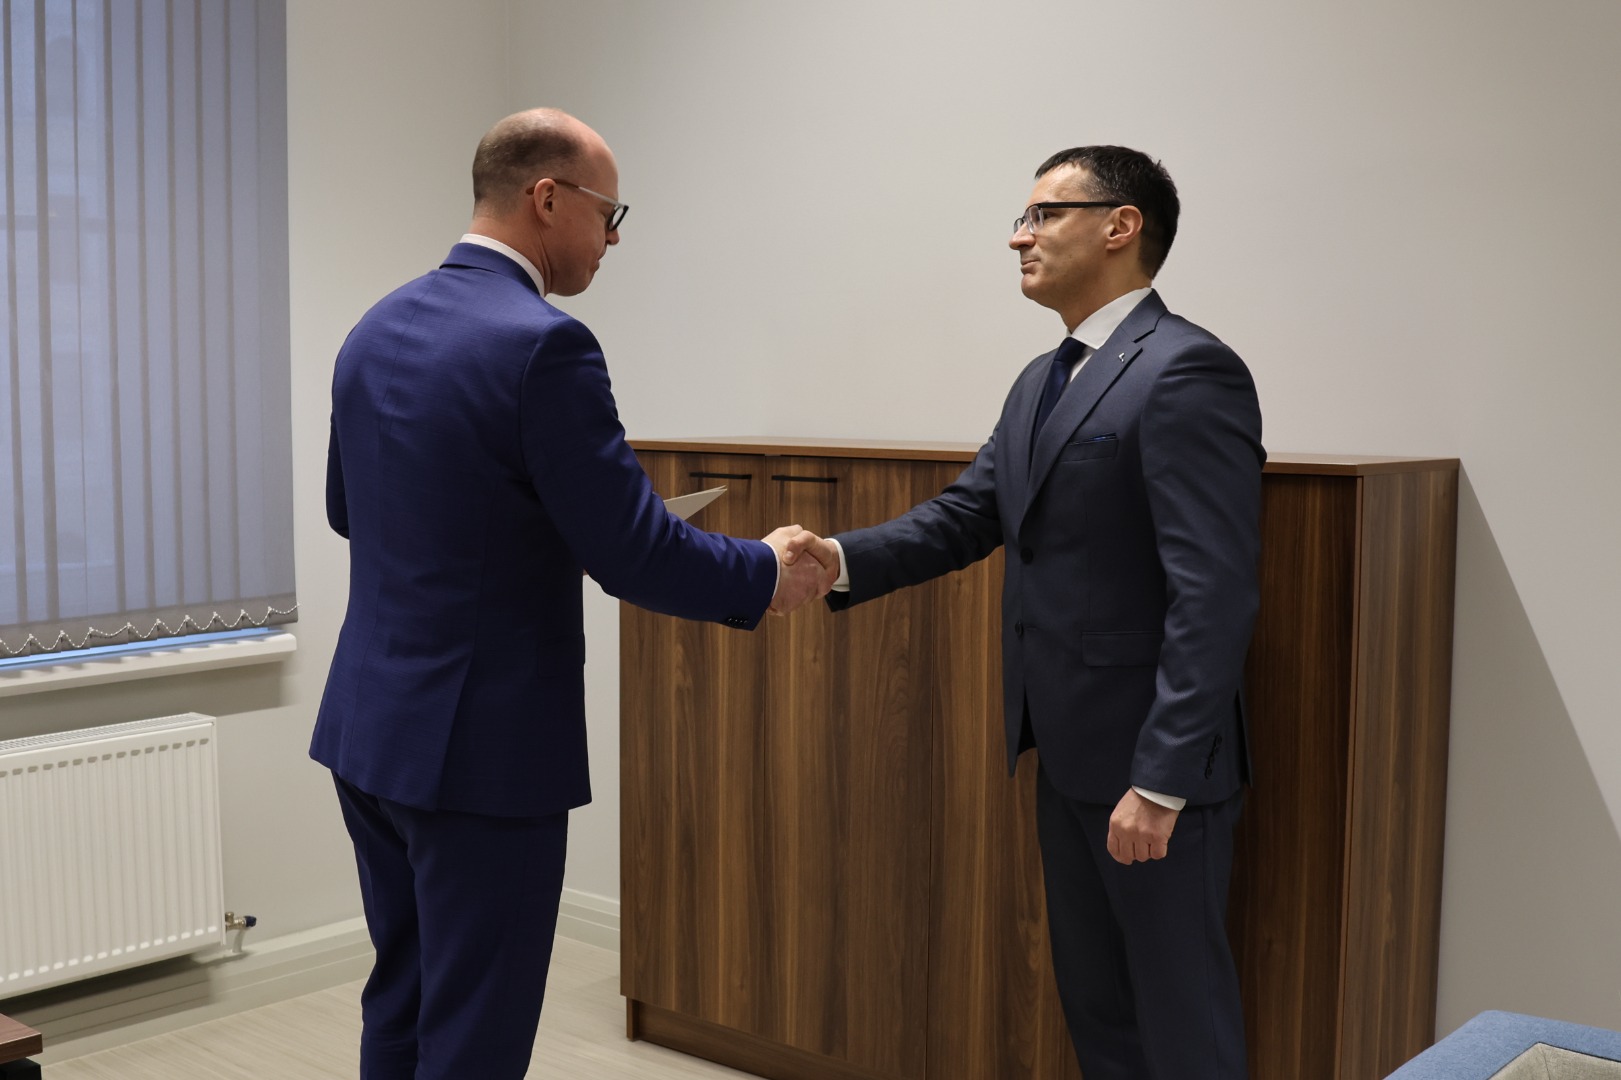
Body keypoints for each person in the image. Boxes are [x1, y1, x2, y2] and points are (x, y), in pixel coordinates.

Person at [311, 108, 829, 1080]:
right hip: (480, 752)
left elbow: (353, 512)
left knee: (405, 995)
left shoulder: (373, 328)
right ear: (546, 198)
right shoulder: (545, 345)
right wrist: (762, 570)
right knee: (476, 1027)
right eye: (607, 211)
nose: (613, 237)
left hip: (369, 731)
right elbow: (634, 555)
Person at [790, 146, 1263, 1080]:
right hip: (1067, 752)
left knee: (1182, 1021)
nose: (1020, 236)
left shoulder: (1188, 369)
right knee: (1098, 1009)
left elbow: (1213, 591)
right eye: (1025, 217)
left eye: (1044, 214)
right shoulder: (1044, 376)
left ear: (1120, 226)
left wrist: (1161, 780)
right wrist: (838, 560)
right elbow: (970, 514)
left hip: (1152, 771)